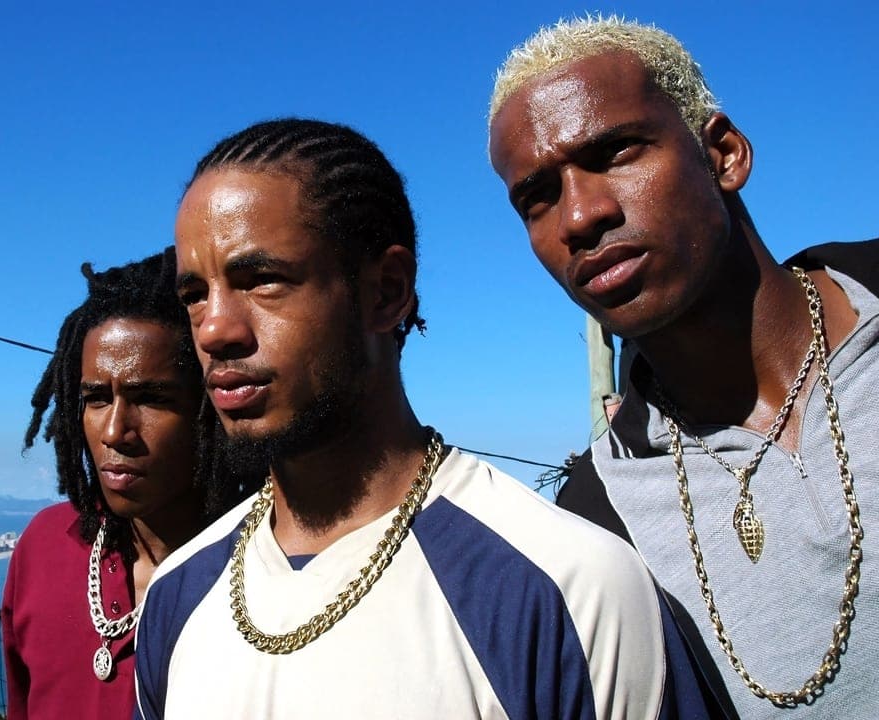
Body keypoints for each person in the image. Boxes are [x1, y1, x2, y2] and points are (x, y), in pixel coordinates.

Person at [133, 118, 708, 719]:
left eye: (262, 280)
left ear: (386, 291)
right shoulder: (177, 597)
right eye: (194, 295)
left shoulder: (568, 588)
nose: (214, 329)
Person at [488, 17, 877, 718]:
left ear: (722, 155)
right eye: (537, 198)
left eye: (614, 152)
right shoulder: (597, 524)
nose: (578, 217)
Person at [1, 249, 255, 719]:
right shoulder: (44, 546)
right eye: (97, 398)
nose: (115, 431)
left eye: (151, 398)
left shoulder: (262, 573)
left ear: (209, 407)